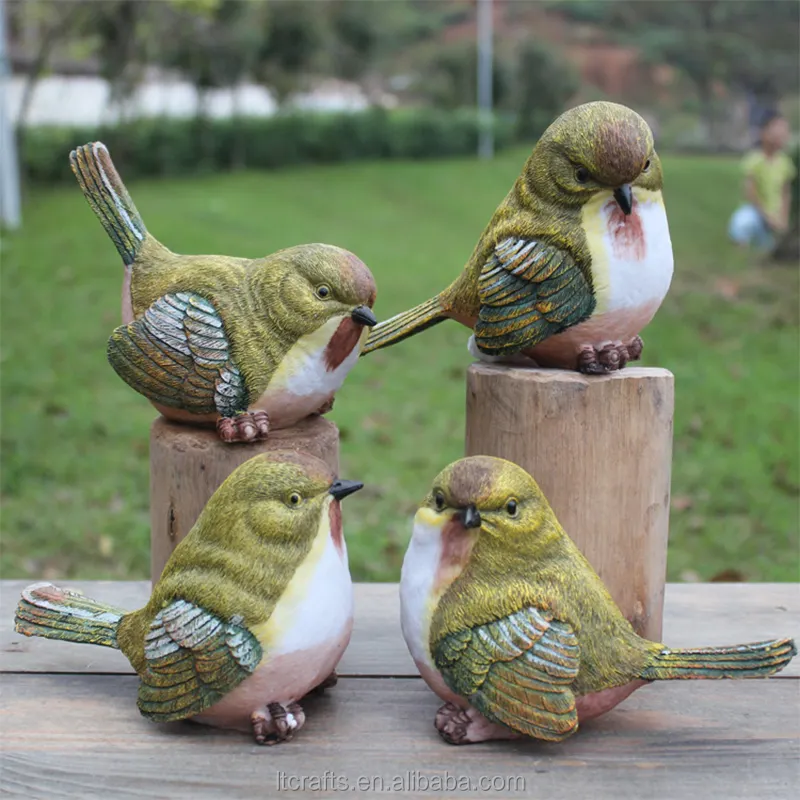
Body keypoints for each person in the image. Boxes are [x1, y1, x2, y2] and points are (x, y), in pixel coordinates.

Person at [728, 110, 796, 252]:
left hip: (775, 215)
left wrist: (782, 218)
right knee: (743, 221)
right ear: (763, 133)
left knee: (772, 244)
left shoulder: (785, 163)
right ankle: (742, 244)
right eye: (776, 129)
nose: (780, 134)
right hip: (758, 213)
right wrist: (767, 217)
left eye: (783, 130)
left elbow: (786, 194)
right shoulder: (754, 160)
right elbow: (750, 194)